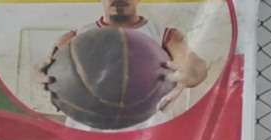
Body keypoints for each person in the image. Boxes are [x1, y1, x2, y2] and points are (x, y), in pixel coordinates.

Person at [37, 0, 208, 131]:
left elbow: (195, 69)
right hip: (88, 131)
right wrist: (40, 75)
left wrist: (190, 72)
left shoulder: (166, 37)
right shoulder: (73, 39)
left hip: (146, 134)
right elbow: (46, 76)